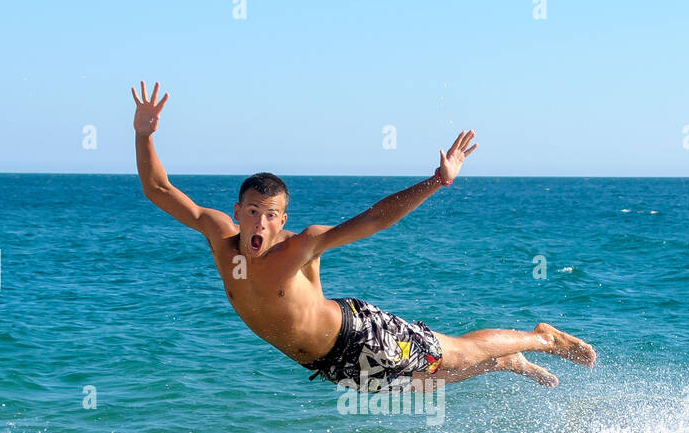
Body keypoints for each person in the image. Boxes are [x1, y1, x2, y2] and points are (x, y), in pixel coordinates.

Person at [132, 80, 596, 392]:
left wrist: (437, 181)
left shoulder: (300, 247)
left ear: (283, 218)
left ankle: (542, 338)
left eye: (270, 215)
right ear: (237, 211)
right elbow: (159, 189)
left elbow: (373, 219)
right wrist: (144, 134)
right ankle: (505, 360)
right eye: (251, 212)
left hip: (359, 337)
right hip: (327, 365)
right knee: (428, 382)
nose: (259, 223)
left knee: (453, 353)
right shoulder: (218, 235)